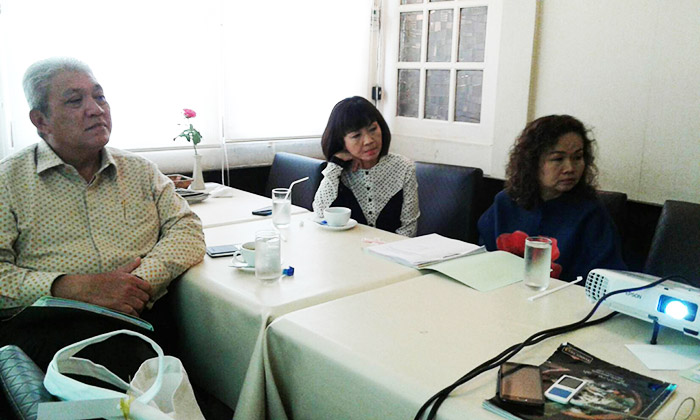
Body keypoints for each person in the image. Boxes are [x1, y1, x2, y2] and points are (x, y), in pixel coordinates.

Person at [0, 57, 206, 377]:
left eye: (100, 96)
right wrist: (69, 288)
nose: (96, 109)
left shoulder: (139, 172)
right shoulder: (9, 181)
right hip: (49, 329)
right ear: (41, 120)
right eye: (75, 100)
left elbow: (187, 228)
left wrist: (135, 285)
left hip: (140, 318)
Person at [477, 115, 626, 282]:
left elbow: (606, 279)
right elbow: (482, 259)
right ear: (532, 162)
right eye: (558, 159)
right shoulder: (506, 202)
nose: (570, 168)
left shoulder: (591, 213)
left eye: (577, 157)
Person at [313, 96, 420, 237]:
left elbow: (409, 229)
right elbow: (320, 214)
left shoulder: (404, 167)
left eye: (373, 129)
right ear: (341, 141)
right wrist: (336, 163)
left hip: (392, 249)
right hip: (345, 248)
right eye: (356, 135)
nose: (369, 140)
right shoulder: (336, 171)